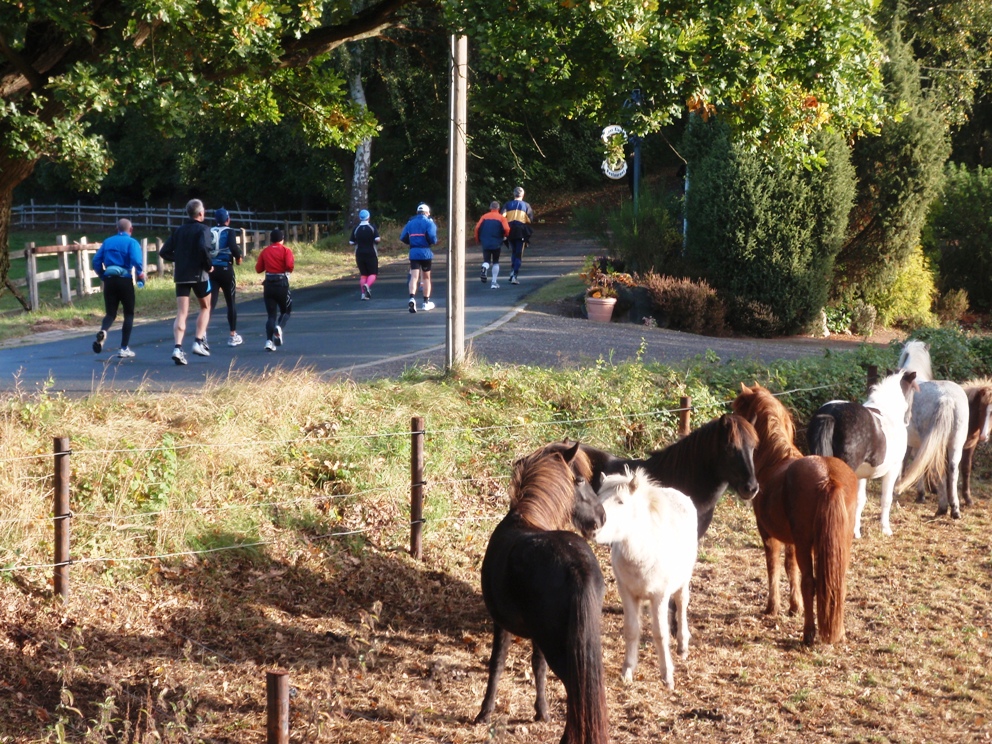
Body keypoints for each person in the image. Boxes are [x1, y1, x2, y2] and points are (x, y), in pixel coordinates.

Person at [159, 198, 214, 365]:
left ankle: (177, 347)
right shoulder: (203, 229)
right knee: (205, 307)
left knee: (181, 312)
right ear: (200, 213)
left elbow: (164, 252)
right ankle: (198, 341)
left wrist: (181, 259)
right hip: (199, 274)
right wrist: (209, 265)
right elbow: (204, 248)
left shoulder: (179, 230)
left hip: (182, 275)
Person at [91, 218, 145, 358]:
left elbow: (96, 260)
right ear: (130, 230)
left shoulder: (108, 241)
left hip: (109, 281)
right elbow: (137, 261)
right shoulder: (132, 242)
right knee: (129, 314)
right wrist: (140, 274)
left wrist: (102, 275)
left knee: (110, 313)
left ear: (117, 229)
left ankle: (103, 331)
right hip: (124, 280)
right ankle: (124, 348)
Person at [208, 207, 244, 346]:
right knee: (230, 302)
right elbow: (233, 247)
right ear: (228, 220)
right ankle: (232, 335)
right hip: (226, 268)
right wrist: (238, 258)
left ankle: (202, 334)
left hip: (212, 269)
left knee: (210, 304)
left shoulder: (209, 231)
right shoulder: (229, 231)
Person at [255, 227, 294, 351]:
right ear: (282, 239)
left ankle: (268, 341)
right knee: (286, 310)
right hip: (281, 284)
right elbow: (289, 265)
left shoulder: (265, 251)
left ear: (271, 240)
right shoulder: (286, 250)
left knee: (271, 315)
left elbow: (258, 269)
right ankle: (279, 328)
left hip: (269, 285)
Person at [399, 202, 438, 313]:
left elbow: (403, 237)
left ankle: (412, 298)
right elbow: (432, 238)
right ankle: (426, 302)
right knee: (426, 277)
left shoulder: (410, 223)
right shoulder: (429, 223)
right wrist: (430, 242)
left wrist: (411, 242)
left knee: (414, 277)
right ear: (426, 213)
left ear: (417, 212)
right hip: (425, 252)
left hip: (413, 252)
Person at [501, 186, 534, 284]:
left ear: (513, 194)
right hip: (520, 230)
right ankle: (514, 275)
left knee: (514, 251)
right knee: (519, 253)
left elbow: (502, 217)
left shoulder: (507, 204)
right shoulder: (526, 205)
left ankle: (512, 272)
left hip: (510, 230)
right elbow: (530, 219)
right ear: (522, 195)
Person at [474, 201, 510, 289]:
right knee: (496, 261)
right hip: (497, 242)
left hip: (485, 242)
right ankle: (494, 282)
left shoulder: (484, 217)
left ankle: (484, 267)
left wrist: (478, 239)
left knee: (486, 260)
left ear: (490, 208)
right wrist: (505, 235)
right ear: (498, 209)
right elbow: (506, 228)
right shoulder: (502, 218)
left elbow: (477, 228)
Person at [350, 209, 381, 300]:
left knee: (363, 274)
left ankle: (363, 294)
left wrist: (357, 242)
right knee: (373, 273)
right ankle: (367, 285)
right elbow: (378, 239)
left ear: (360, 218)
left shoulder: (356, 228)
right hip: (371, 253)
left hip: (359, 254)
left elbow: (351, 242)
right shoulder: (372, 227)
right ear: (368, 217)